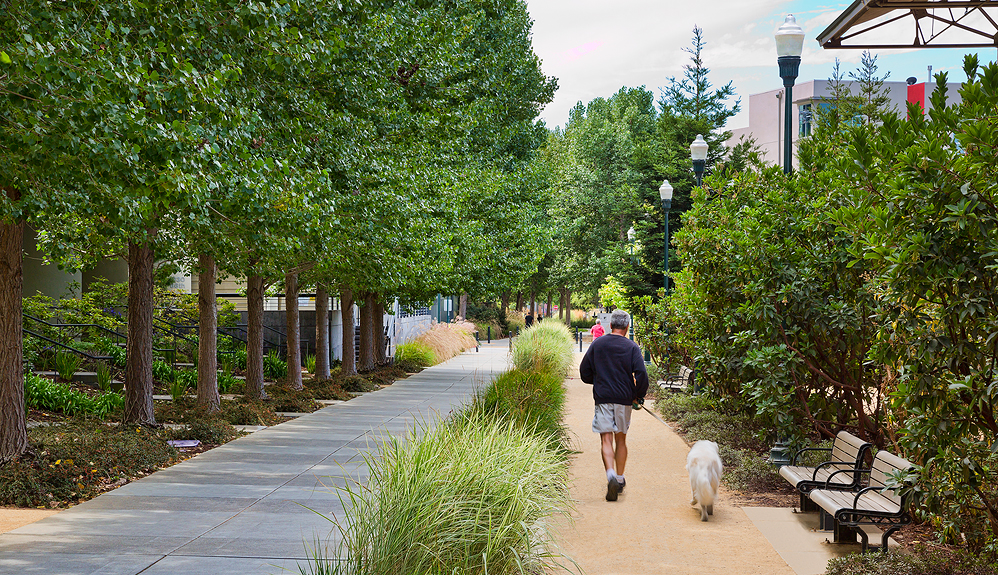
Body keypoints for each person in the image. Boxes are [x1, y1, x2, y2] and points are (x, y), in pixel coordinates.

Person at [579, 309, 648, 502]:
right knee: (621, 440)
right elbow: (641, 374)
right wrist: (638, 395)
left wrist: (598, 380)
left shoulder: (598, 344)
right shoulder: (632, 347)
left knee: (606, 440)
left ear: (610, 325)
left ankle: (610, 475)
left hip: (603, 397)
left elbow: (584, 371)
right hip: (624, 398)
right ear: (627, 327)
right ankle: (620, 477)